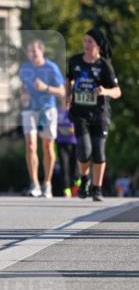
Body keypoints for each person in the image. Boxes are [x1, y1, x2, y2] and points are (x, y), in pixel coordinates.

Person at [67, 28, 121, 202]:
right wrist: (67, 98)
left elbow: (117, 91)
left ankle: (97, 189)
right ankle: (84, 178)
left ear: (98, 46)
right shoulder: (75, 61)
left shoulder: (104, 65)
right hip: (80, 113)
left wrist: (104, 90)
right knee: (84, 151)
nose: (86, 44)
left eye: (90, 41)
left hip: (100, 114)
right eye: (85, 41)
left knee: (98, 152)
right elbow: (68, 80)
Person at [18, 39, 65, 198]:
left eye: (35, 51)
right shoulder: (25, 68)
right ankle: (34, 183)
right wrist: (23, 96)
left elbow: (62, 91)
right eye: (29, 51)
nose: (32, 54)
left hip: (47, 110)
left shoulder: (51, 68)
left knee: (47, 146)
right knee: (31, 146)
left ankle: (47, 182)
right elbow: (23, 88)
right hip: (29, 109)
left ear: (41, 51)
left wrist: (46, 88)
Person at [55, 101, 78, 197]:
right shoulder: (58, 111)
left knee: (75, 167)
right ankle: (66, 189)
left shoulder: (76, 110)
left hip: (75, 143)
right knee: (64, 166)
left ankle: (76, 186)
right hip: (61, 143)